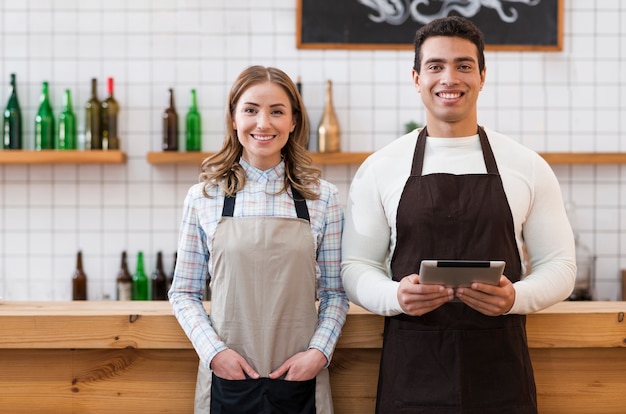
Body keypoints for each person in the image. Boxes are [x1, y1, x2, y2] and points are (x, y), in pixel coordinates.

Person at [341, 16, 576, 414]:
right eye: (435, 66)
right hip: (412, 373)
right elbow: (355, 266)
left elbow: (561, 266)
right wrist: (395, 295)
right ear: (416, 78)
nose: (449, 78)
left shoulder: (527, 165)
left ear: (482, 76)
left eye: (464, 65)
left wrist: (514, 297)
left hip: (501, 375)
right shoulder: (381, 167)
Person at [170, 65, 348, 414]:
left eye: (276, 111)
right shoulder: (203, 197)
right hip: (227, 380)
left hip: (301, 380)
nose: (263, 123)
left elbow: (335, 293)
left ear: (293, 121)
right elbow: (183, 293)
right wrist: (214, 353)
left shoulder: (322, 198)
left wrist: (318, 353)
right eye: (250, 110)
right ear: (234, 119)